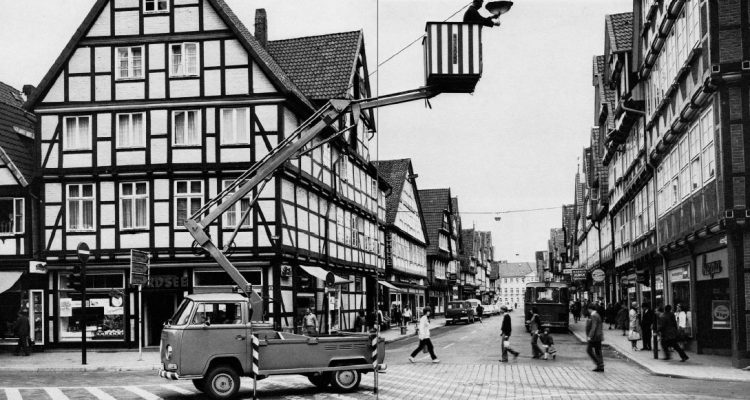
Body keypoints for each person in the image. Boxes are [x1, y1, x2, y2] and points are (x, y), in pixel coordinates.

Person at [585, 303, 604, 372]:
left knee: (589, 350)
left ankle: (599, 364)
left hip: (595, 337)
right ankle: (600, 366)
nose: (588, 311)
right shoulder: (597, 315)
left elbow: (594, 326)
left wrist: (590, 336)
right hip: (598, 336)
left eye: (588, 309)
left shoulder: (593, 315)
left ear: (590, 309)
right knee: (598, 351)